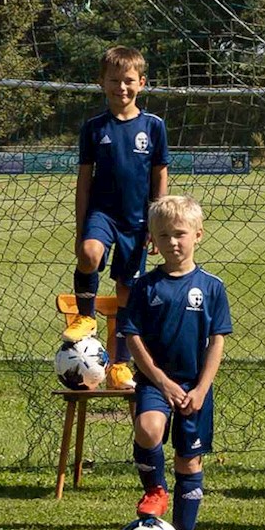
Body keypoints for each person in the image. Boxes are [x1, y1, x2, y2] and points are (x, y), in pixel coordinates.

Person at [118, 195, 232, 530]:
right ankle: (155, 489)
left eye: (180, 234)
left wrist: (200, 389)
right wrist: (162, 382)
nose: (172, 242)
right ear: (152, 240)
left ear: (198, 235)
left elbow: (218, 340)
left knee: (189, 462)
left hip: (195, 387)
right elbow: (132, 337)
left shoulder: (212, 287)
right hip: (157, 382)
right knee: (148, 430)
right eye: (163, 235)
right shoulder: (145, 286)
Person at [68, 47, 171, 340]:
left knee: (127, 288)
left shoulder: (153, 126)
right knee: (88, 254)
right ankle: (86, 317)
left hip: (137, 219)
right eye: (114, 80)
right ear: (102, 82)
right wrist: (80, 229)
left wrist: (157, 222)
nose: (121, 87)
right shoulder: (93, 128)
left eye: (128, 80)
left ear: (142, 82)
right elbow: (84, 179)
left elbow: (159, 175)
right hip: (102, 213)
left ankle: (121, 363)